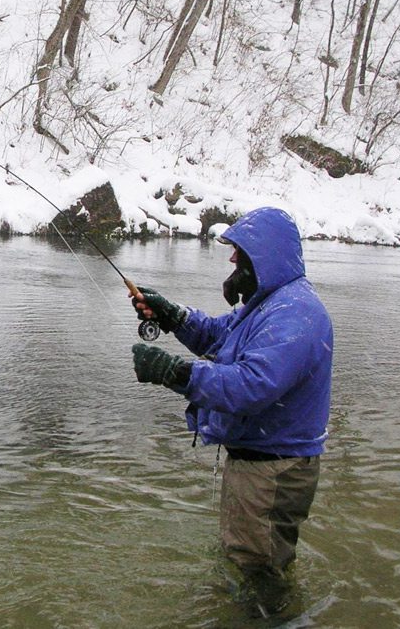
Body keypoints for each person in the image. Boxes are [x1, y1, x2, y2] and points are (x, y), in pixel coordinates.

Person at [129, 206, 333, 589]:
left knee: (259, 578)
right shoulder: (271, 303)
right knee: (248, 565)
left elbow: (251, 386)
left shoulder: (295, 313)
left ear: (266, 255)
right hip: (261, 466)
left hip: (273, 472)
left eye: (240, 249)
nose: (232, 257)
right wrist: (173, 316)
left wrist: (173, 372)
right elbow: (220, 336)